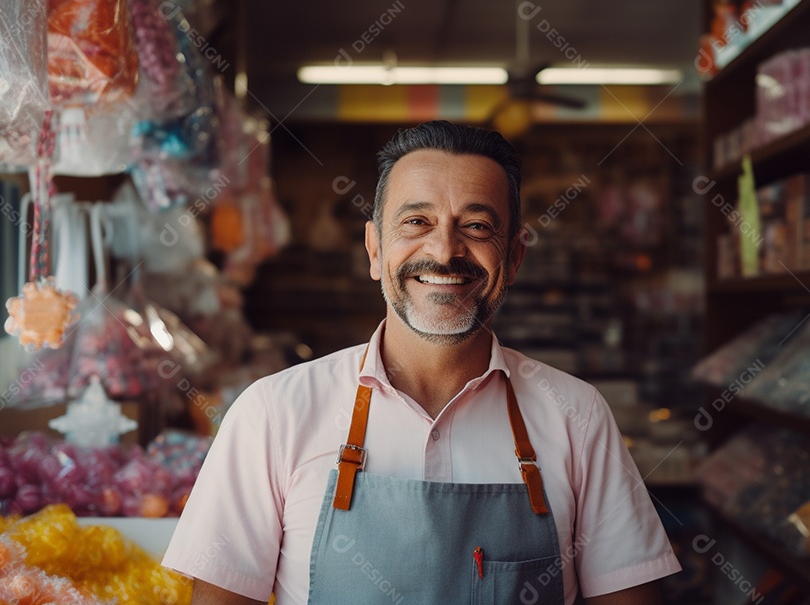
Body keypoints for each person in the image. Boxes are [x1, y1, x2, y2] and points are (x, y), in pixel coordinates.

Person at [162, 120, 681, 604]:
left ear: (515, 257)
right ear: (374, 248)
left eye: (476, 226)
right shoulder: (270, 416)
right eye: (416, 221)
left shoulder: (577, 417)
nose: (444, 250)